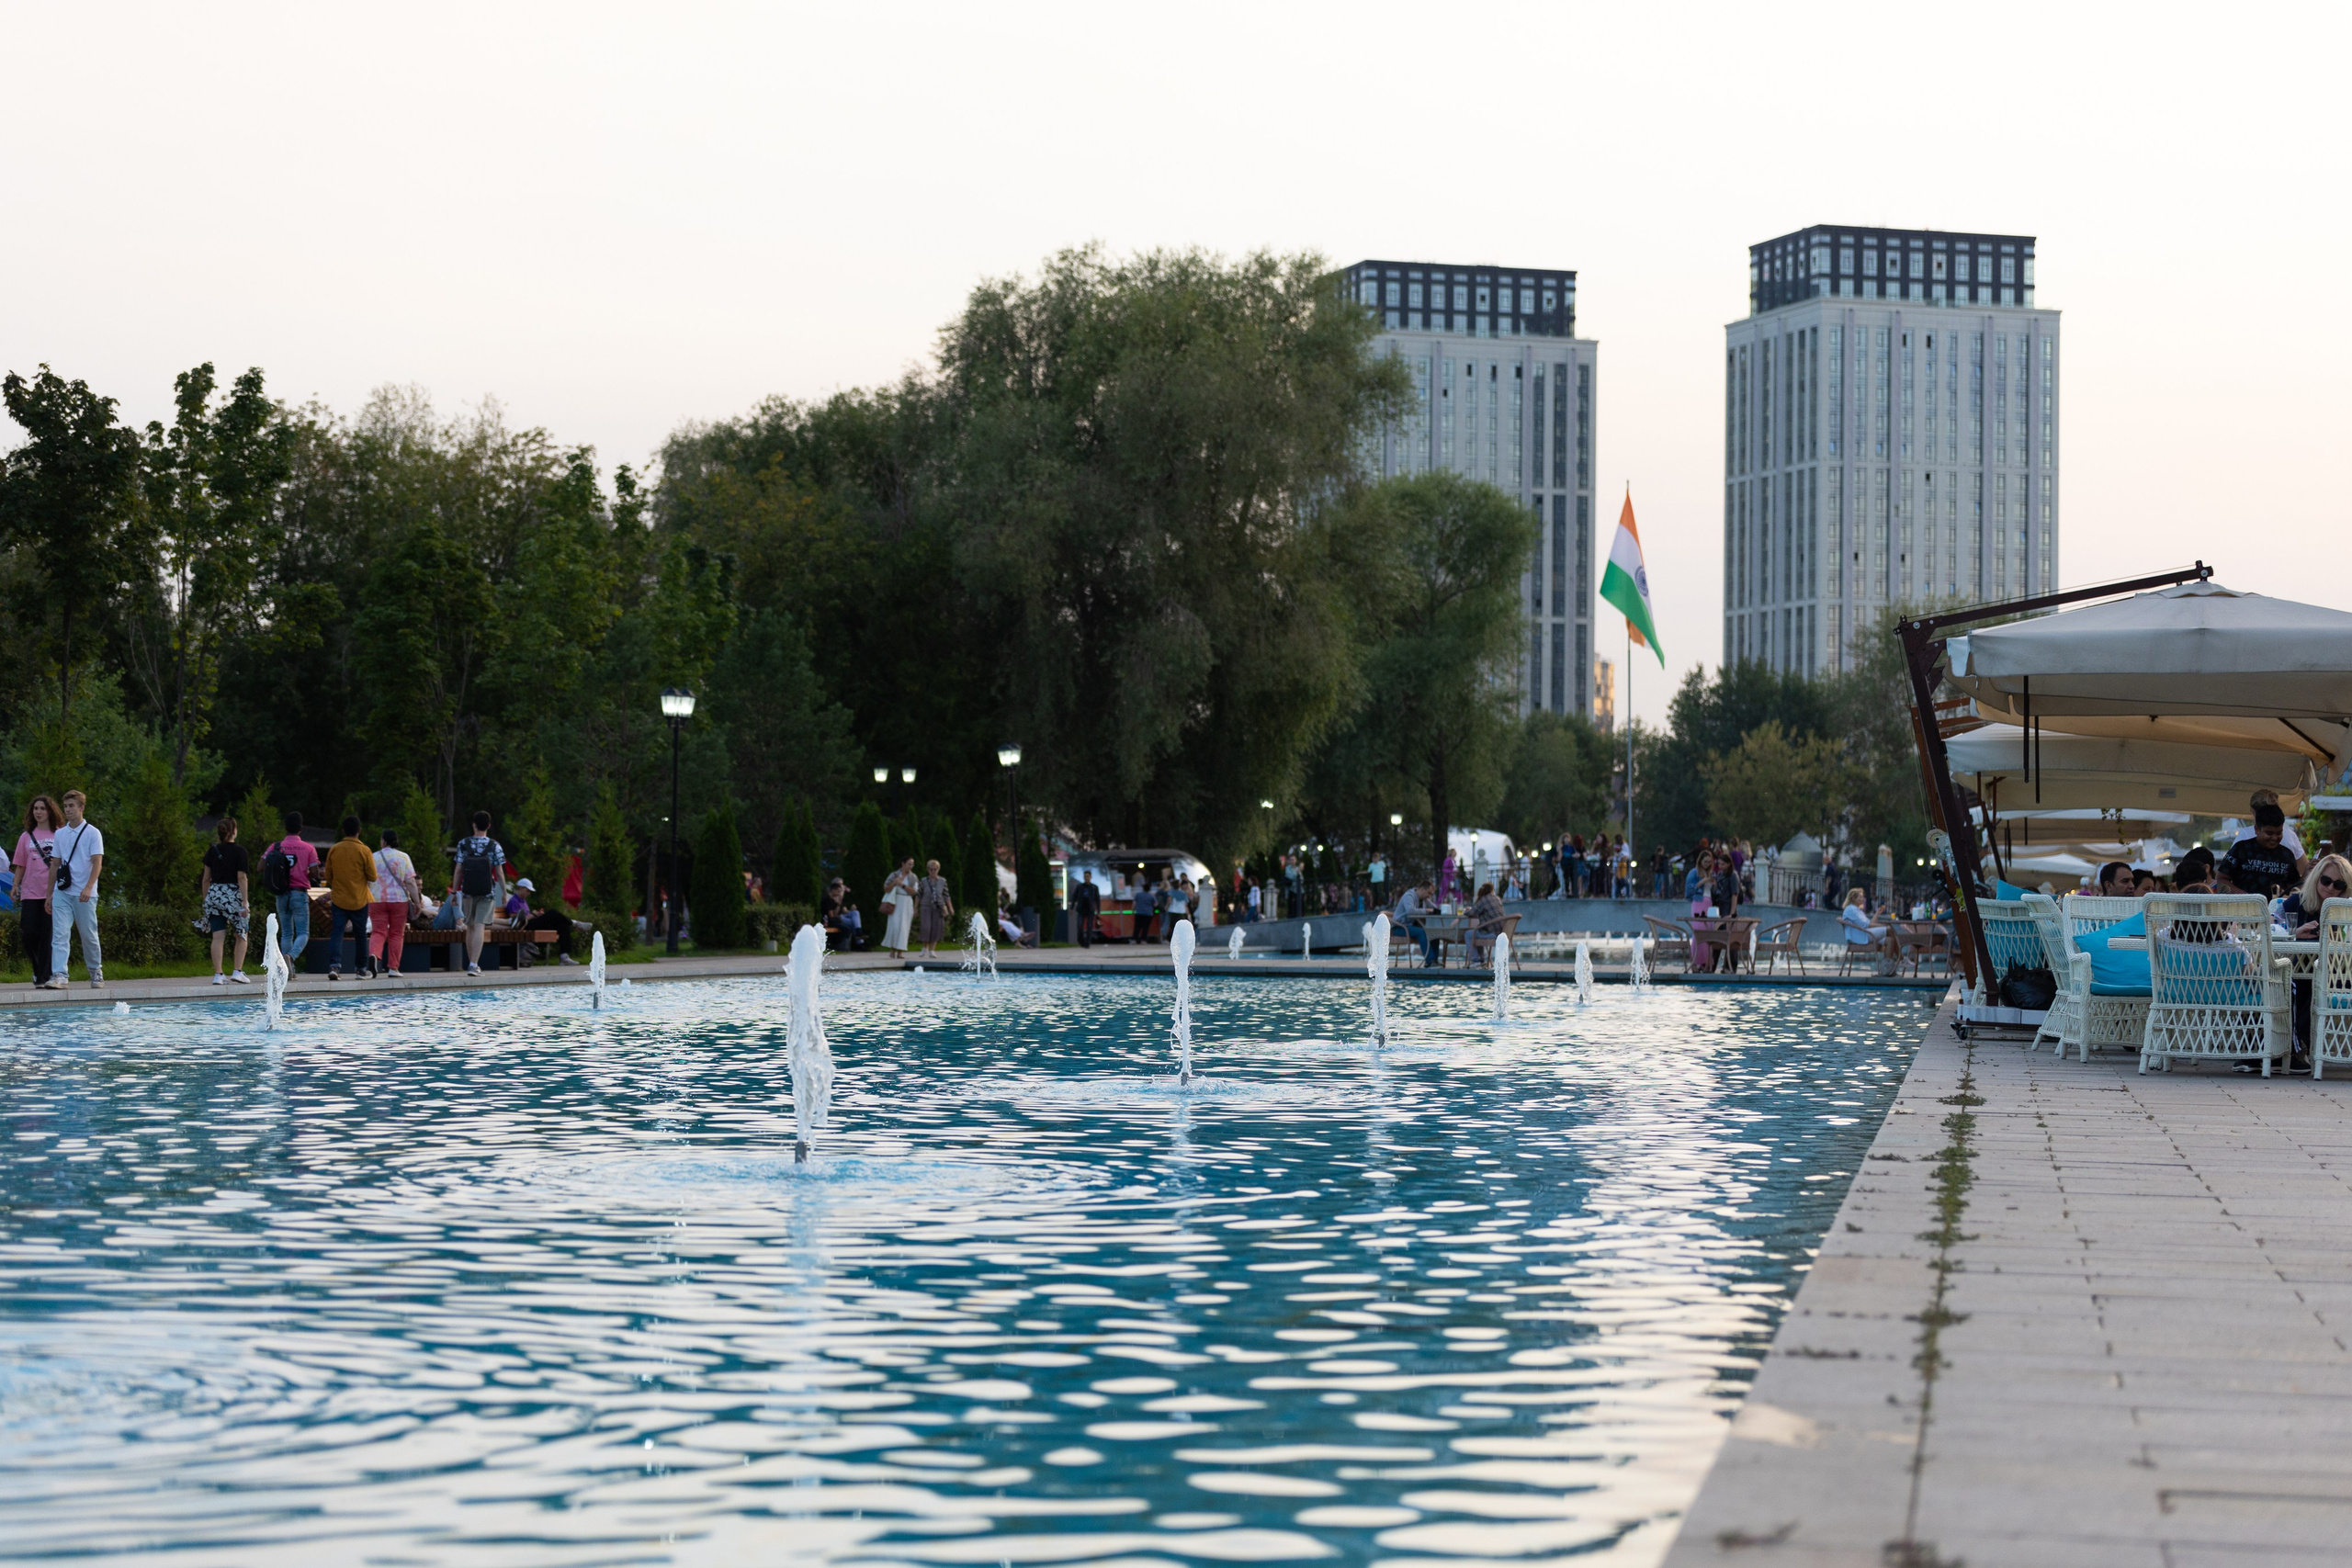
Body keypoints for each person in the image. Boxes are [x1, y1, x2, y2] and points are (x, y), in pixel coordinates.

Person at [44, 790, 105, 989]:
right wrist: (49, 894)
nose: (68, 810)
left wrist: (88, 887)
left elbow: (97, 863)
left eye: (71, 806)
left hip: (84, 893)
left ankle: (95, 970)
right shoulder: (60, 834)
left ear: (81, 807)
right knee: (60, 934)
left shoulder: (93, 833)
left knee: (88, 934)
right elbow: (55, 864)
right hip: (63, 891)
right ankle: (60, 975)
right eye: (66, 806)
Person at [262, 810, 322, 971]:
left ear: (285, 827)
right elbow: (315, 872)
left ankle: (286, 970)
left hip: (281, 893)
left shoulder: (275, 846)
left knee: (287, 933)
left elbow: (261, 866)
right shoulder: (308, 848)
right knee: (303, 932)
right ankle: (291, 957)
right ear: (301, 828)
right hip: (299, 892)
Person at [450, 810, 507, 976]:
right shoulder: (494, 845)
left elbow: (458, 869)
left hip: (468, 891)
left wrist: (454, 891)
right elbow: (499, 872)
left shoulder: (463, 844)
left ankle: (471, 963)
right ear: (488, 825)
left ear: (474, 825)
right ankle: (474, 964)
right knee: (480, 926)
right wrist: (504, 892)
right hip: (487, 891)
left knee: (470, 926)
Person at [13, 795, 61, 989]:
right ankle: (37, 967)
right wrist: (15, 884)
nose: (39, 812)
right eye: (36, 809)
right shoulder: (26, 837)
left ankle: (43, 977)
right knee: (28, 933)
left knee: (47, 935)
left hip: (53, 892)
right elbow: (20, 864)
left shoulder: (59, 834)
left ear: (50, 811)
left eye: (42, 808)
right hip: (30, 891)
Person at [198, 816, 252, 985]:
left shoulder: (212, 851)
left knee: (218, 936)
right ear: (234, 831)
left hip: (214, 895)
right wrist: (245, 902)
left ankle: (218, 974)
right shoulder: (240, 851)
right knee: (241, 934)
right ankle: (237, 971)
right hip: (234, 896)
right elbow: (241, 877)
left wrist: (206, 900)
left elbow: (206, 878)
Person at [323, 815, 377, 980]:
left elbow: (328, 876)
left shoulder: (335, 849)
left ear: (343, 831)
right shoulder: (364, 850)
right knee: (360, 935)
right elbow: (372, 876)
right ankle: (361, 970)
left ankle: (334, 967)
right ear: (359, 830)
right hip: (359, 899)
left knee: (337, 933)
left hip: (339, 899)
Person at [367, 828, 420, 979]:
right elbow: (410, 882)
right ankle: (393, 968)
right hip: (398, 900)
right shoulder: (403, 857)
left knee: (378, 931)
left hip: (377, 899)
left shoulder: (373, 857)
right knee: (397, 933)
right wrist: (417, 902)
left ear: (383, 841)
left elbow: (368, 880)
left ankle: (374, 955)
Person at [2218, 803, 2301, 901]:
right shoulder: (2241, 849)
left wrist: (2306, 876)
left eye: (2279, 833)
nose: (2274, 838)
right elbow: (2221, 879)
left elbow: (2294, 887)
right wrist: (2248, 898)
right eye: (2269, 833)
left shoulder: (2287, 855)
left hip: (2275, 908)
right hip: (2243, 906)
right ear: (2257, 829)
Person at [1840, 886, 1891, 970]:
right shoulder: (1851, 909)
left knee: (1889, 940)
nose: (1863, 899)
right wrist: (1883, 926)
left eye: (1863, 897)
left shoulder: (1857, 910)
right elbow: (1866, 925)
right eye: (1860, 897)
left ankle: (1888, 968)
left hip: (1865, 934)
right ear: (1853, 898)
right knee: (1889, 929)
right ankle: (1901, 959)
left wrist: (1877, 913)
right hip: (1860, 937)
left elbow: (1869, 923)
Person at [917, 857, 954, 957]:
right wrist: (915, 908)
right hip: (926, 906)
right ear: (927, 870)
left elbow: (946, 895)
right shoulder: (923, 881)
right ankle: (925, 947)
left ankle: (932, 950)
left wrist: (950, 908)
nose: (933, 871)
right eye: (931, 869)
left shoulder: (942, 881)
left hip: (938, 907)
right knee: (926, 927)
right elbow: (918, 895)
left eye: (935, 869)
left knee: (936, 928)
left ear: (938, 869)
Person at [881, 857, 917, 957]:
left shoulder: (913, 877)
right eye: (909, 864)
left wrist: (902, 885)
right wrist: (894, 883)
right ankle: (893, 950)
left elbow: (914, 892)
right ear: (903, 864)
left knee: (904, 927)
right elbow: (886, 888)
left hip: (907, 902)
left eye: (912, 864)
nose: (911, 866)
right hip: (895, 902)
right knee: (895, 926)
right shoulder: (894, 875)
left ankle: (900, 951)